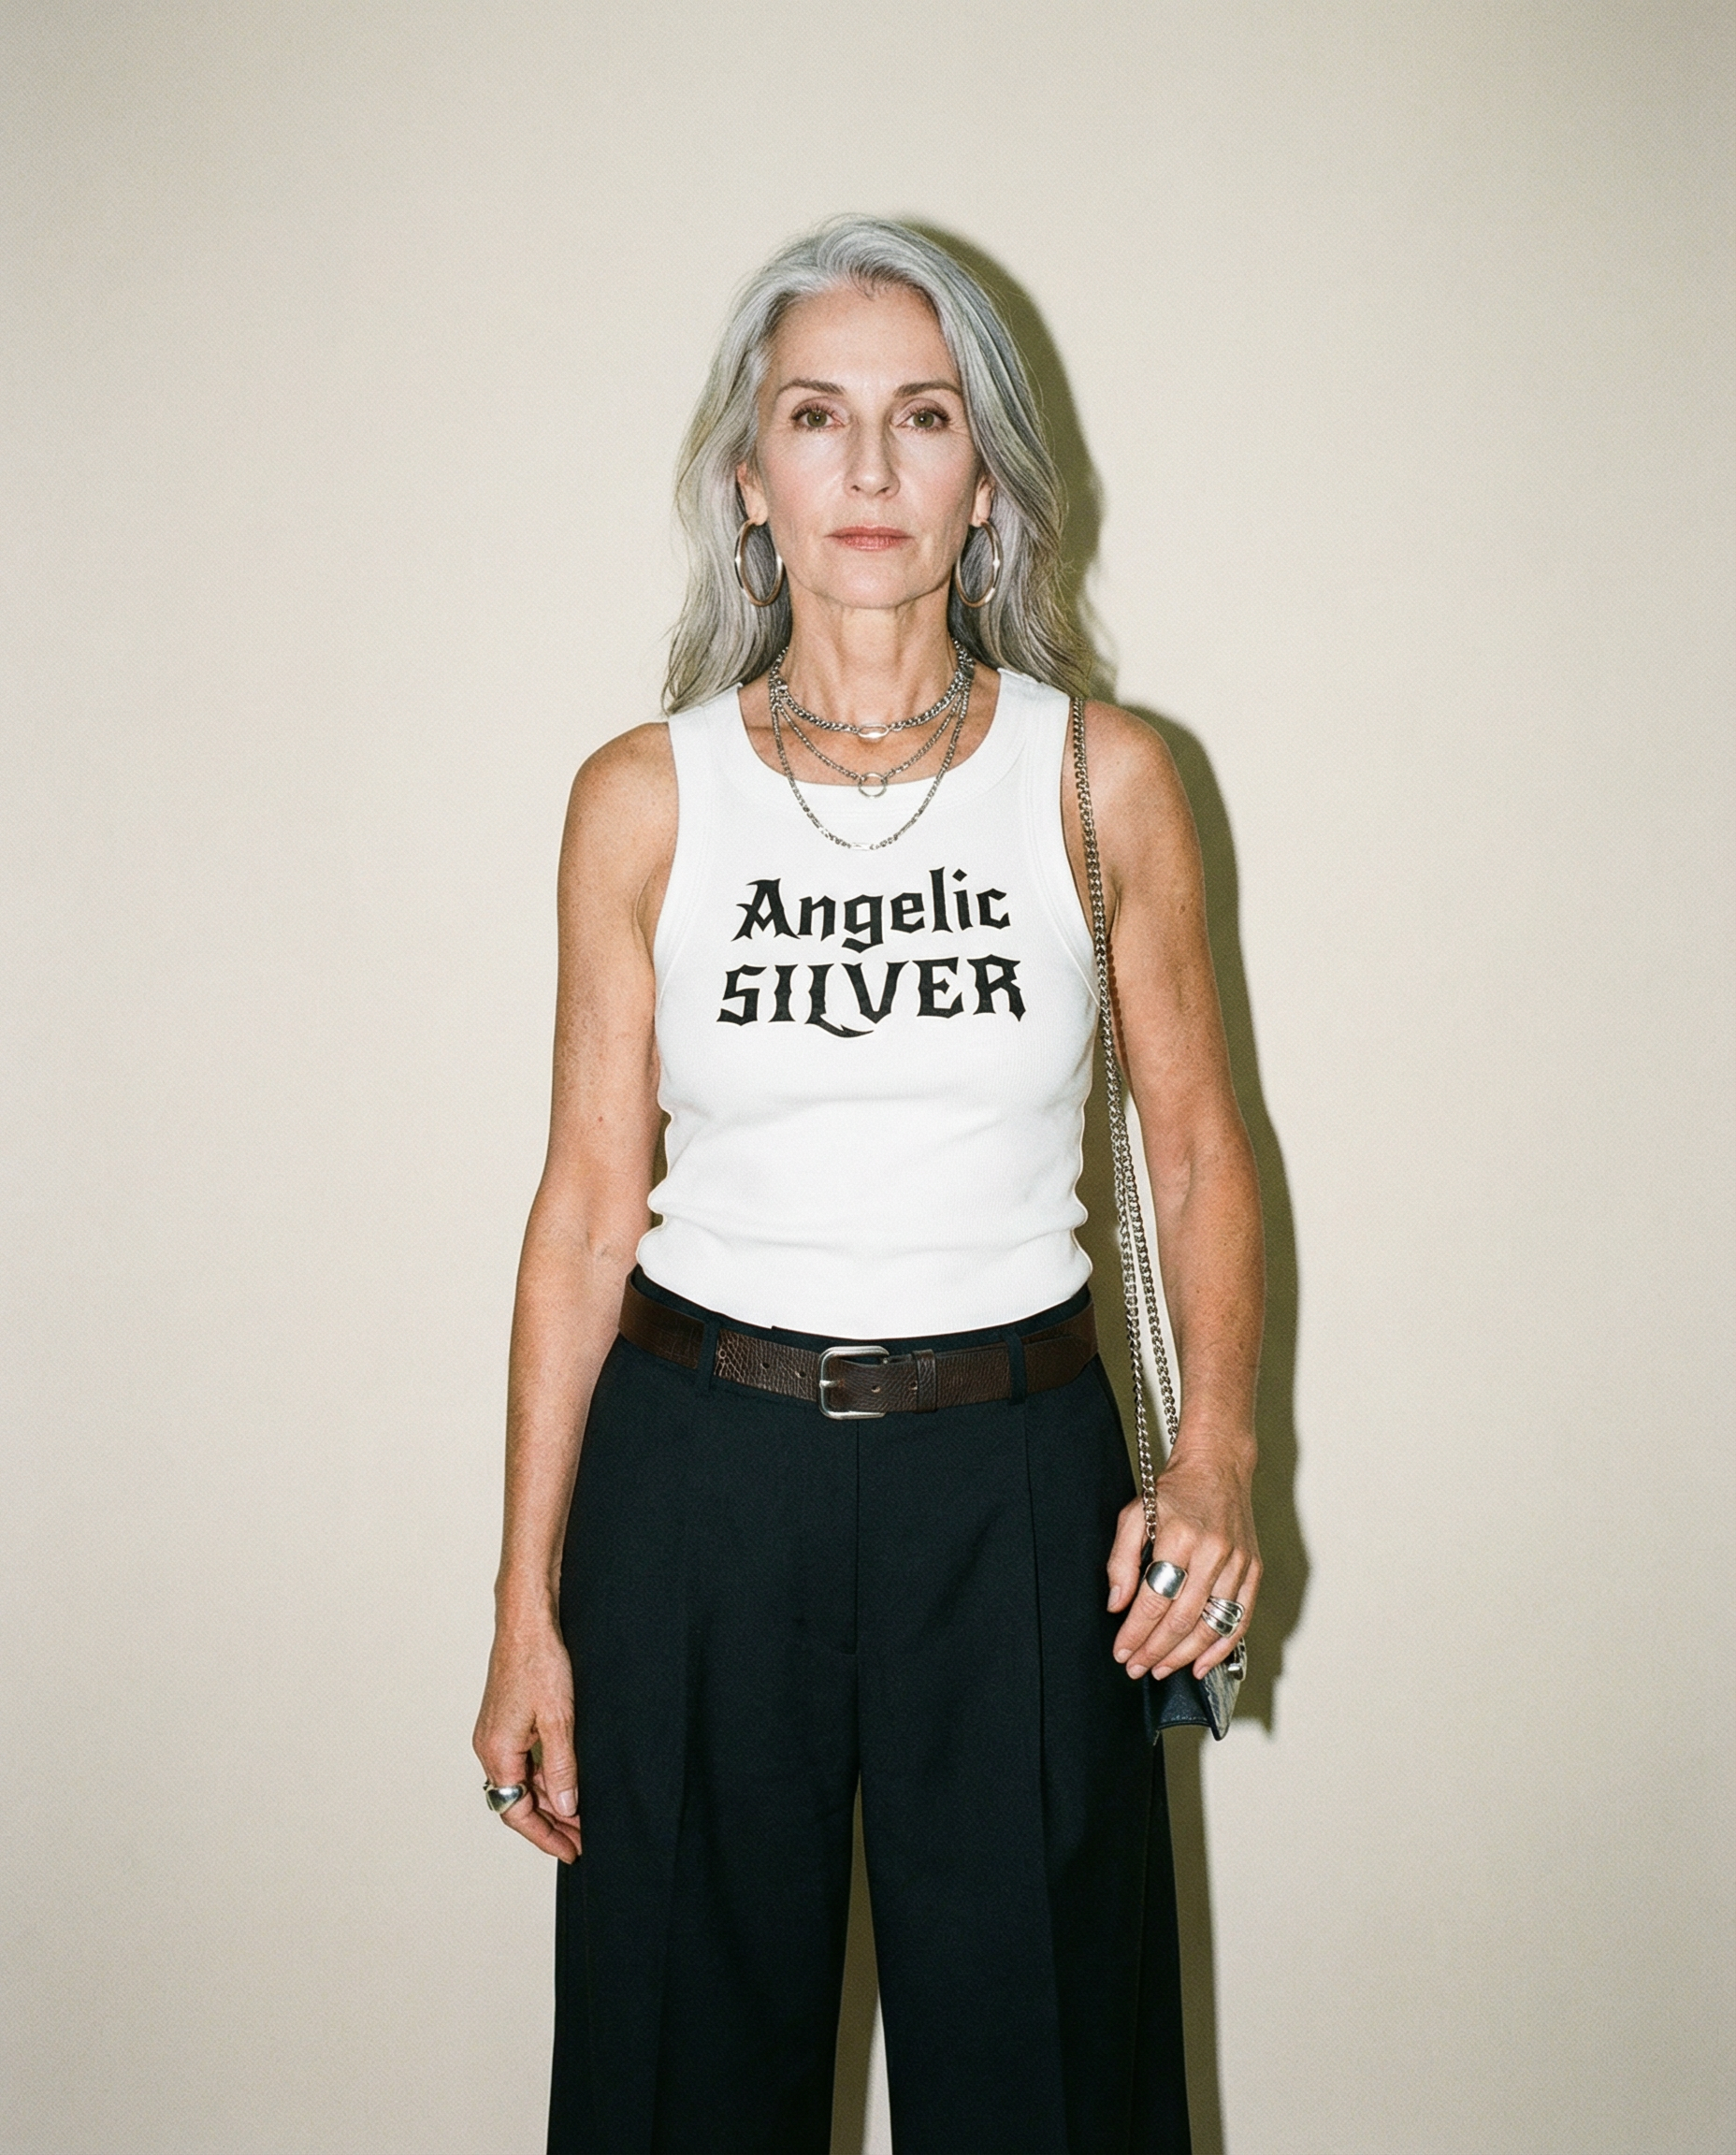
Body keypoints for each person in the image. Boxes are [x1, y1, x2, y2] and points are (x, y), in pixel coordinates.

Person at [473, 216, 1264, 2155]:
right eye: (817, 419)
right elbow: (584, 1209)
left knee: (1046, 2077)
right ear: (750, 482)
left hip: (1009, 1481)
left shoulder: (1105, 780)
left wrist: (1219, 1459)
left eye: (923, 418)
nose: (873, 470)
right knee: (680, 2072)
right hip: (700, 1479)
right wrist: (523, 1603)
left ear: (983, 475)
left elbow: (1199, 1148)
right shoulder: (644, 796)